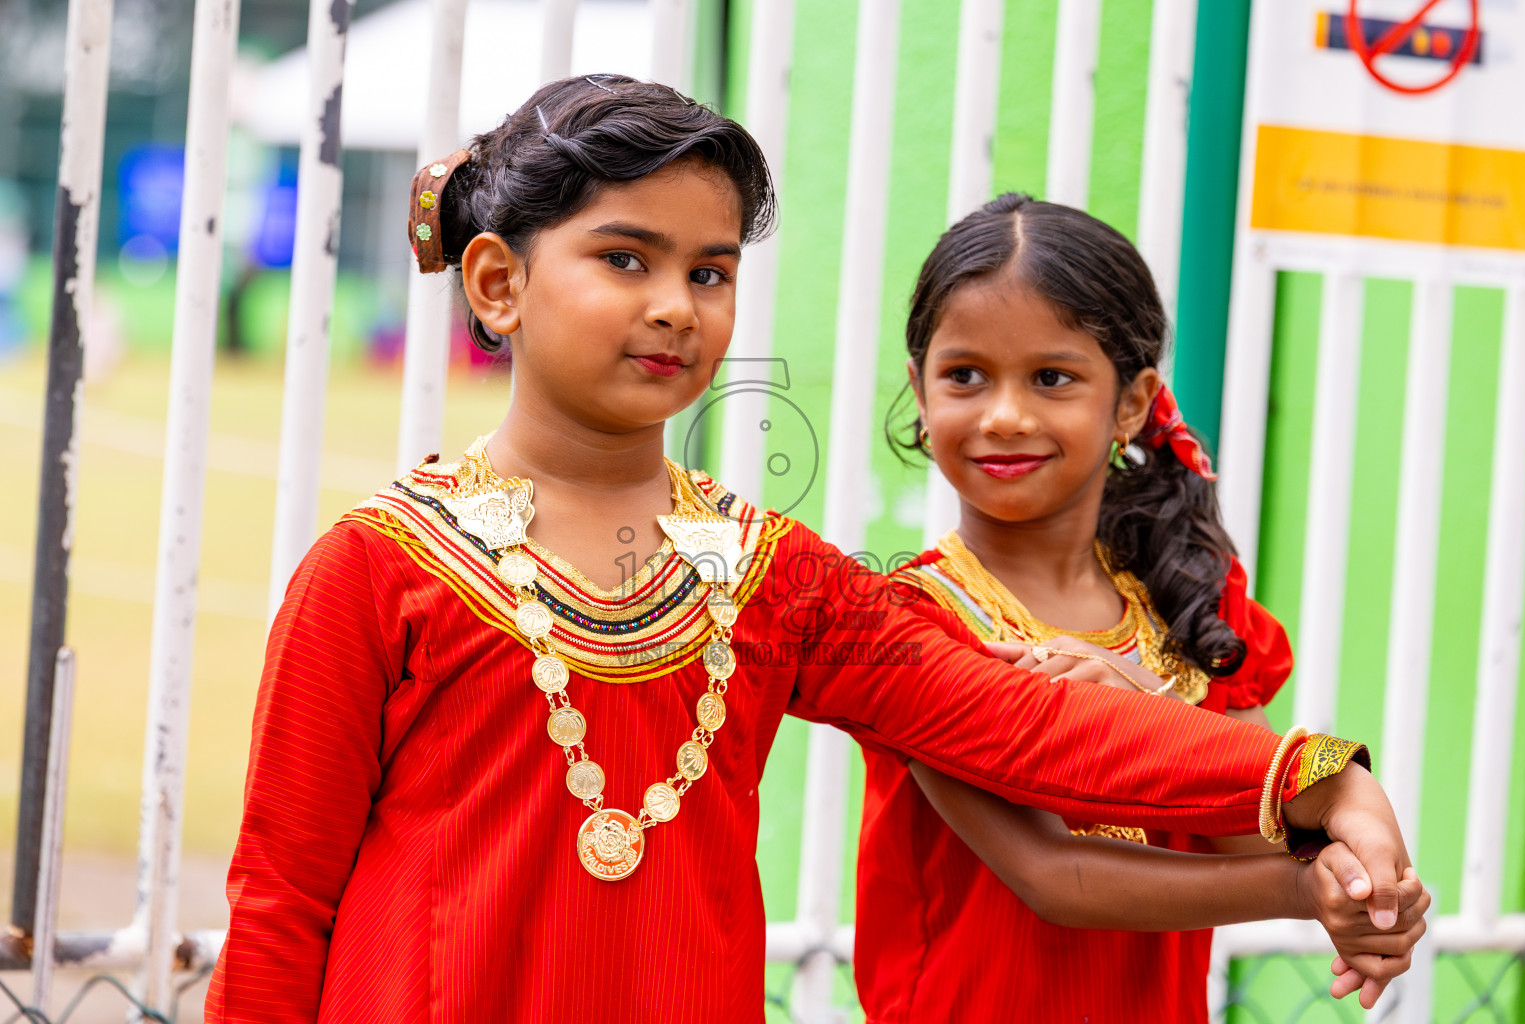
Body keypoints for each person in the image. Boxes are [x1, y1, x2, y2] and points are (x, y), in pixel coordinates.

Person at [207, 78, 1413, 1023]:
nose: (677, 303)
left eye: (710, 270)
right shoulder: (376, 570)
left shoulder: (773, 579)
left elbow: (1020, 719)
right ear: (499, 281)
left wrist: (1313, 775)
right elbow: (279, 903)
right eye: (626, 258)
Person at [855, 194, 1425, 1022]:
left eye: (1052, 378)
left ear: (1130, 402)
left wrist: (1355, 886)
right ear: (919, 390)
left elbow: (1255, 821)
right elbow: (1054, 876)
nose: (1005, 415)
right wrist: (1303, 887)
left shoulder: (1187, 600)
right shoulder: (911, 625)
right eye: (965, 376)